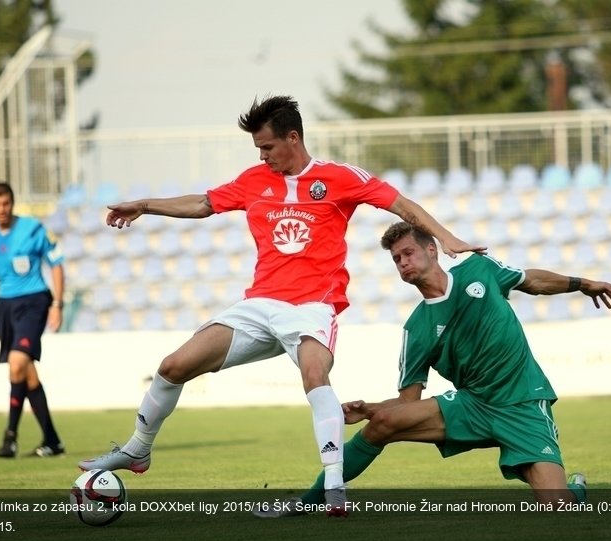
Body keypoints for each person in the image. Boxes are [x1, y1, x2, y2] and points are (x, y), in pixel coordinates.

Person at [78, 95, 484, 515]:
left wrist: (447, 238)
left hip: (312, 305)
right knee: (172, 366)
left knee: (314, 373)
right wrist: (144, 205)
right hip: (259, 305)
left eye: (267, 147)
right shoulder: (253, 180)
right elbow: (203, 204)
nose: (262, 155)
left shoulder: (339, 178)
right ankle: (137, 450)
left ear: (293, 137)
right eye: (258, 149)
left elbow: (401, 205)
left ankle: (333, 488)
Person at [255, 222, 611, 517]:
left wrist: (582, 284)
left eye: (408, 252)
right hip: (472, 405)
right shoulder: (416, 329)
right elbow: (408, 401)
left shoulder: (479, 271)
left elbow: (533, 280)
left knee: (557, 506)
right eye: (396, 259)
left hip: (522, 403)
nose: (403, 262)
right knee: (382, 425)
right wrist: (371, 410)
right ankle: (310, 500)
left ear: (432, 250)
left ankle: (574, 488)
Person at [0, 181, 66, 458]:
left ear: (12, 203)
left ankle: (10, 437)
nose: (2, 209)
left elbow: (56, 262)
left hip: (34, 301)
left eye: (6, 204)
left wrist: (57, 304)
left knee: (16, 364)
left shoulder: (32, 229)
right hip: (5, 305)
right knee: (25, 372)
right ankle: (52, 441)